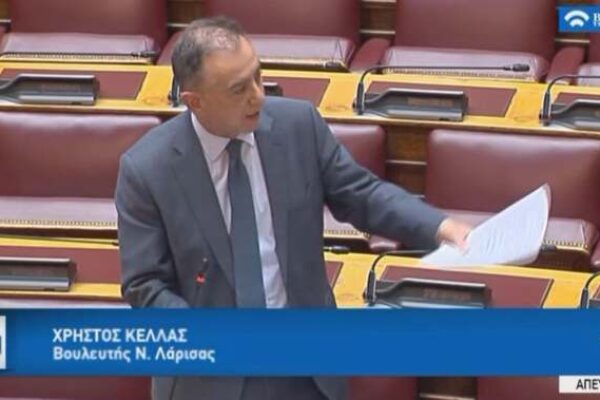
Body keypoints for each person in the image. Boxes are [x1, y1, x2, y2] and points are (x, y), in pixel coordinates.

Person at [115, 16, 471, 400]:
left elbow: (362, 194)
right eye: (239, 89)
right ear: (195, 102)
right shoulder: (147, 169)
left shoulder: (298, 126)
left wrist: (440, 227)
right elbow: (145, 285)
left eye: (257, 75)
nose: (258, 96)